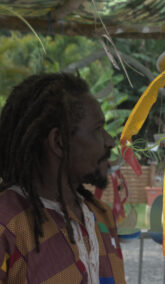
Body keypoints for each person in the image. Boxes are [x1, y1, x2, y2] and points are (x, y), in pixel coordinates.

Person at [0, 73, 126, 283]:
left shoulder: (100, 216)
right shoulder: (7, 225)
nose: (110, 141)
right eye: (97, 129)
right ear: (59, 141)